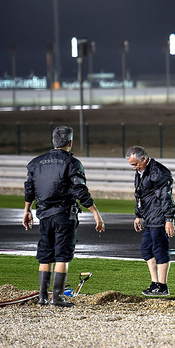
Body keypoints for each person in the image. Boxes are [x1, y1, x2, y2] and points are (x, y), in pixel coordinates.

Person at [23, 126, 105, 307]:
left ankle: (42, 297)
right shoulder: (73, 163)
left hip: (43, 215)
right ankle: (57, 298)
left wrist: (27, 210)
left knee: (45, 254)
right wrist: (95, 212)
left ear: (53, 141)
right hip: (64, 215)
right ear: (70, 143)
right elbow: (80, 190)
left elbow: (29, 189)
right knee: (62, 255)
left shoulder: (35, 163)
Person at [125, 146, 175, 296]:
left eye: (135, 164)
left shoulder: (159, 173)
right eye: (132, 165)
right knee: (146, 249)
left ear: (143, 159)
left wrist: (169, 219)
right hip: (149, 217)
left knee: (160, 250)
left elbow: (166, 198)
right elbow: (140, 195)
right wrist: (138, 215)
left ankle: (163, 286)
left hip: (159, 217)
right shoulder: (141, 171)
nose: (133, 168)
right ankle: (155, 283)